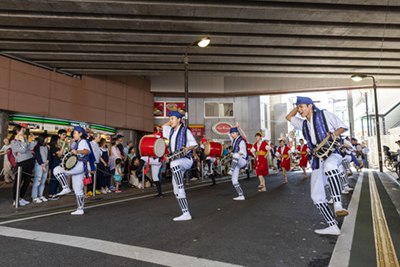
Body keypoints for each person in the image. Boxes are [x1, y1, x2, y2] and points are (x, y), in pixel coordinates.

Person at [286, 96, 349, 235]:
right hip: (317, 158)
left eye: (302, 106)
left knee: (330, 166)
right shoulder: (302, 123)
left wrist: (333, 134)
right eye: (298, 107)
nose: (300, 110)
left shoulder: (324, 114)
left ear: (311, 106)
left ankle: (338, 205)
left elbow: (343, 127)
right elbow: (288, 116)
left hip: (332, 152)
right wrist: (297, 107)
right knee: (316, 196)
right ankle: (333, 226)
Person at [161, 111, 197, 221]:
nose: (170, 121)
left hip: (186, 160)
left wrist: (187, 149)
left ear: (179, 119)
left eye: (172, 118)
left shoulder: (185, 130)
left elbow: (194, 144)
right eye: (169, 118)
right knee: (175, 189)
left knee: (173, 163)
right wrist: (171, 122)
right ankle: (186, 213)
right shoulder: (171, 131)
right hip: (176, 165)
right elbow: (163, 126)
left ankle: (181, 187)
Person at [53, 126, 96, 215]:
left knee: (57, 169)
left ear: (80, 134)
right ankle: (80, 209)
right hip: (79, 167)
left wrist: (77, 151)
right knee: (78, 189)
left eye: (75, 133)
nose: (73, 134)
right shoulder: (78, 142)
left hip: (79, 165)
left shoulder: (83, 141)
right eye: (73, 133)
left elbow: (87, 151)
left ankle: (65, 187)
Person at [10, 125, 37, 207]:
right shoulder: (13, 141)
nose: (24, 132)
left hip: (29, 161)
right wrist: (22, 141)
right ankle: (15, 199)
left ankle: (21, 198)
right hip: (21, 162)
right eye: (22, 130)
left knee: (27, 181)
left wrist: (33, 140)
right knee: (18, 181)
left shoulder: (24, 139)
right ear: (17, 131)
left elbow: (30, 147)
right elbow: (22, 150)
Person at [226, 123, 247, 201]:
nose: (232, 135)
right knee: (234, 180)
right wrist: (233, 127)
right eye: (231, 133)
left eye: (233, 133)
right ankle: (241, 195)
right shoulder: (234, 140)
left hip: (242, 160)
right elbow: (229, 135)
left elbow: (242, 152)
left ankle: (231, 170)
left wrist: (234, 153)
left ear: (237, 133)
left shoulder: (241, 141)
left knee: (236, 155)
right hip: (236, 163)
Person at [32, 133, 50, 203]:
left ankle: (40, 195)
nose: (47, 139)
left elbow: (48, 156)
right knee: (37, 181)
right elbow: (38, 157)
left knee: (43, 181)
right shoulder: (37, 147)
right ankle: (34, 197)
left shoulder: (46, 147)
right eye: (46, 138)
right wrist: (43, 165)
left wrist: (46, 164)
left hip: (45, 165)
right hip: (39, 165)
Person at [48, 135, 67, 200]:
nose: (59, 141)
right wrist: (64, 145)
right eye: (58, 140)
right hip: (55, 163)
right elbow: (60, 154)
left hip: (58, 163)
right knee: (53, 179)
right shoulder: (53, 148)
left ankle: (54, 193)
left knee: (57, 179)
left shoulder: (57, 147)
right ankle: (51, 194)